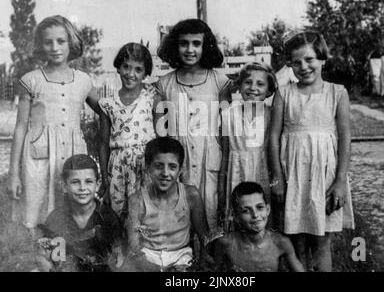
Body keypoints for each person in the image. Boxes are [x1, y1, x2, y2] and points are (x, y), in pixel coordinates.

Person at [268, 30, 355, 271]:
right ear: (289, 65)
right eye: (296, 62)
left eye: (310, 60)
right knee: (296, 242)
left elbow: (345, 138)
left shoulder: (337, 93)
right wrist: (277, 180)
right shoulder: (284, 93)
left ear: (323, 59)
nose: (304, 66)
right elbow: (273, 136)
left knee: (321, 242)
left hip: (324, 176)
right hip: (293, 176)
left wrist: (339, 180)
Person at [7, 15, 100, 231]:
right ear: (40, 45)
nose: (55, 47)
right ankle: (43, 259)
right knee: (38, 213)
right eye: (48, 42)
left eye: (61, 41)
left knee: (73, 211)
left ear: (71, 42)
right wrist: (13, 173)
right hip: (40, 158)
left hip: (74, 155)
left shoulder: (84, 80)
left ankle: (70, 258)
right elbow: (20, 127)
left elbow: (107, 112)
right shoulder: (31, 80)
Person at [155, 19, 232, 231]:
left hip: (210, 158)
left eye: (196, 43)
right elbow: (160, 131)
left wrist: (224, 163)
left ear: (205, 46)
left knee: (210, 211)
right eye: (184, 43)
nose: (190, 49)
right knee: (178, 215)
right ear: (174, 46)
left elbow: (226, 128)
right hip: (177, 159)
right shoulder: (165, 84)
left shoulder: (220, 82)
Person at [123, 137, 212, 271]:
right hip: (148, 259)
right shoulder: (137, 200)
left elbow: (205, 239)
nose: (165, 173)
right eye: (158, 166)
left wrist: (199, 267)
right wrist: (158, 269)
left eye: (172, 167)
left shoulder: (191, 195)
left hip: (181, 258)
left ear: (180, 170)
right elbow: (134, 247)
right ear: (148, 168)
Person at [98, 43, 156, 221]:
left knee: (146, 214)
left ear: (146, 74)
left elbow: (163, 140)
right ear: (118, 67)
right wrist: (106, 181)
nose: (131, 74)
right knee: (118, 215)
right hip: (117, 166)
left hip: (145, 164)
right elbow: (102, 143)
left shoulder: (153, 98)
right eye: (126, 67)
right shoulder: (107, 103)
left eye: (138, 70)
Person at [36, 154, 123, 272]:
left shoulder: (109, 219)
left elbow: (118, 261)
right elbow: (49, 260)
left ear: (97, 185)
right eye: (75, 182)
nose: (82, 187)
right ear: (64, 186)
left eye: (88, 181)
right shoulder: (55, 218)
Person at [219, 62, 277, 231]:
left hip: (262, 173)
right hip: (236, 174)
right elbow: (225, 155)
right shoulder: (228, 115)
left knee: (261, 221)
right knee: (238, 222)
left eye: (260, 84)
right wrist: (222, 193)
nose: (253, 88)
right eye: (248, 82)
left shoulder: (272, 115)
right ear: (239, 85)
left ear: (269, 90)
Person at [213, 182, 304, 272]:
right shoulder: (226, 243)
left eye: (260, 207)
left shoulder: (280, 242)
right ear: (236, 217)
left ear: (267, 210)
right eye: (246, 211)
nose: (255, 215)